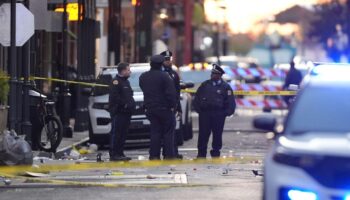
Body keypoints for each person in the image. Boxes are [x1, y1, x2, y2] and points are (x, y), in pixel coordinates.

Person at [139, 55, 178, 160]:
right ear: (161, 64)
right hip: (165, 109)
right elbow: (171, 94)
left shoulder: (143, 76)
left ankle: (154, 155)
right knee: (168, 133)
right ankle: (168, 155)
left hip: (151, 108)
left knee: (155, 132)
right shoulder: (165, 76)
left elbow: (143, 88)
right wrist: (173, 106)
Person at [193, 64, 236, 158]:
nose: (213, 75)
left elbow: (230, 101)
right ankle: (201, 154)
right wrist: (199, 110)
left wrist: (226, 112)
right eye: (212, 73)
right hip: (205, 114)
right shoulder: (205, 85)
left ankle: (216, 153)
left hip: (218, 114)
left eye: (215, 74)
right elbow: (197, 98)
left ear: (220, 75)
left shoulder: (225, 87)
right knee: (203, 134)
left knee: (217, 134)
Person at [108, 62, 135, 161]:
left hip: (126, 112)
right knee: (116, 133)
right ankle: (114, 154)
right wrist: (125, 104)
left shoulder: (126, 81)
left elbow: (129, 95)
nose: (130, 71)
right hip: (119, 112)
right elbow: (115, 97)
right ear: (123, 71)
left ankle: (120, 153)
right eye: (128, 70)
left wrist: (131, 105)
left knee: (123, 134)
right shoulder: (116, 81)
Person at [160, 50, 183, 159]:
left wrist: (178, 107)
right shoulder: (159, 73)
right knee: (163, 131)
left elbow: (177, 92)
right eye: (166, 60)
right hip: (162, 106)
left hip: (172, 106)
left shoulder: (174, 73)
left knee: (172, 130)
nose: (169, 62)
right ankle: (166, 153)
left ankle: (173, 152)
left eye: (170, 60)